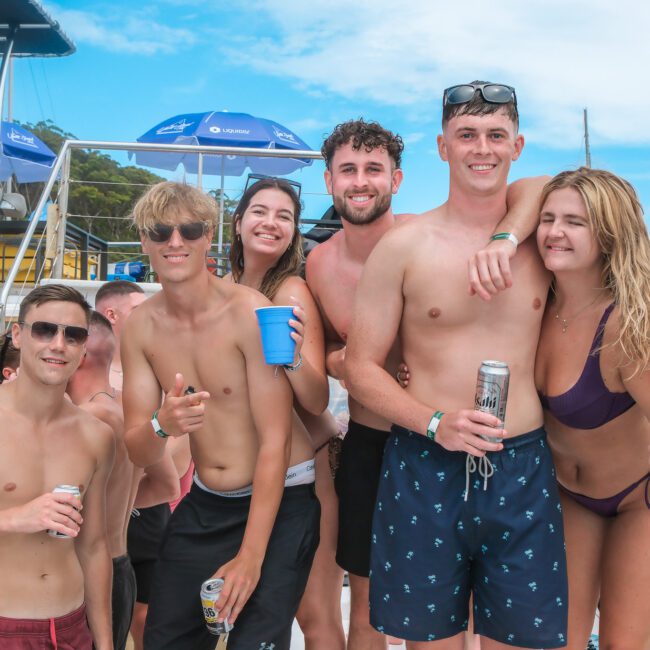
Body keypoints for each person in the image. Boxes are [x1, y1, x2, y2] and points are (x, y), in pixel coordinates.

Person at [307, 117, 549, 650]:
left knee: (499, 624)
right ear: (328, 181)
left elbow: (539, 187)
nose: (361, 181)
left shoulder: (432, 231)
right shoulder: (320, 263)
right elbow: (332, 352)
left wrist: (506, 238)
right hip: (395, 445)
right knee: (377, 612)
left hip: (502, 453)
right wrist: (348, 361)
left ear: (396, 180)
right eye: (347, 170)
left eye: (374, 169)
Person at [122, 181, 320, 650]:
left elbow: (276, 439)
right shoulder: (140, 328)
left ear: (208, 235)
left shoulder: (247, 310)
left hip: (282, 496)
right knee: (165, 637)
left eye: (189, 230)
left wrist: (251, 558)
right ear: (144, 240)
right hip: (208, 502)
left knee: (256, 643)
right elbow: (136, 446)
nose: (175, 241)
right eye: (160, 231)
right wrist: (162, 425)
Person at [226, 177, 344, 650]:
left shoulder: (291, 291)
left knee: (314, 615)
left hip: (309, 468)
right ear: (238, 223)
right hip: (251, 472)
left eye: (284, 216)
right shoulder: (224, 289)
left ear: (294, 233)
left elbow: (316, 400)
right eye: (260, 211)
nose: (270, 222)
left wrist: (293, 355)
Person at [535, 167, 650, 649]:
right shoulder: (532, 305)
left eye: (575, 222)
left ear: (608, 234)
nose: (555, 232)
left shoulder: (627, 324)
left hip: (637, 500)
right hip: (570, 497)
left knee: (625, 642)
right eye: (547, 218)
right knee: (559, 641)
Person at [0, 284, 114, 649]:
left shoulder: (96, 435)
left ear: (83, 350)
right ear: (18, 335)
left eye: (73, 335)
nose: (58, 344)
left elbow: (94, 547)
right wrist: (15, 518)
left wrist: (106, 642)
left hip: (69, 629)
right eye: (44, 329)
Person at [94, 279, 187, 650]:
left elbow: (178, 460)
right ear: (111, 315)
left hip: (147, 508)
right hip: (97, 511)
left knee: (146, 615)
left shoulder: (162, 372)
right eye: (137, 309)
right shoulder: (82, 375)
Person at [94, 280, 147, 391]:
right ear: (112, 315)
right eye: (139, 309)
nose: (148, 316)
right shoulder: (84, 369)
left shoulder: (156, 365)